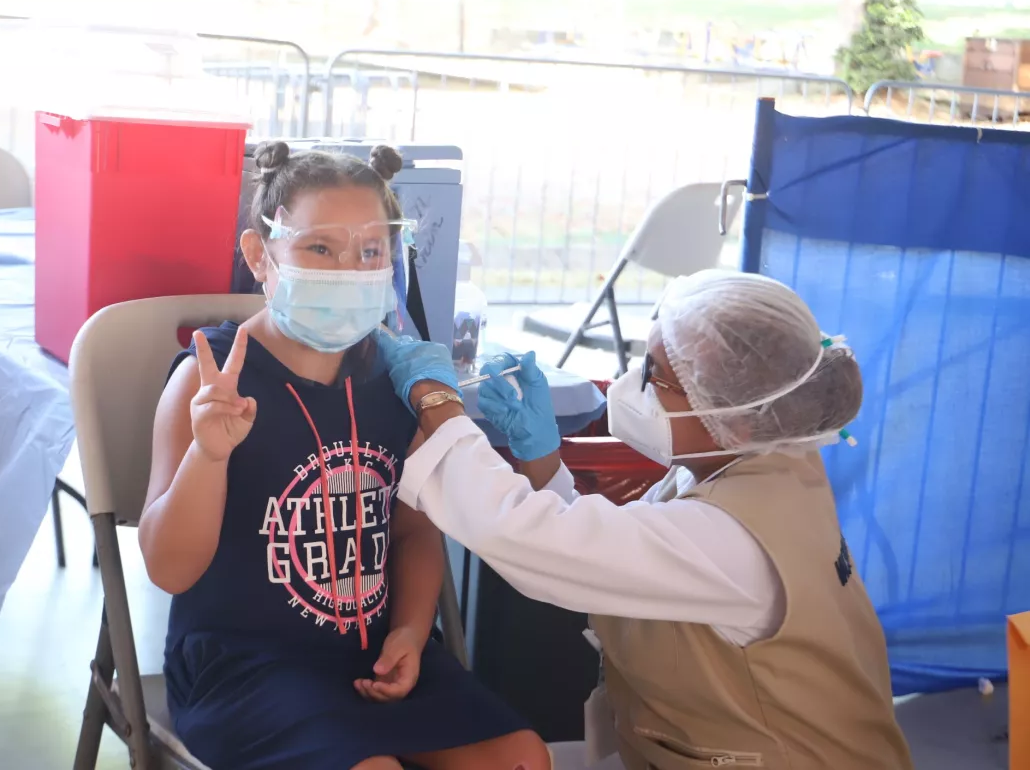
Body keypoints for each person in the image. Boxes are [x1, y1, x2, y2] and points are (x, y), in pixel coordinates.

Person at [377, 269, 914, 770]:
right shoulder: (763, 462)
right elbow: (614, 556)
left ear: (738, 416)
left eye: (656, 373)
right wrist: (542, 460)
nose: (632, 382)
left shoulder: (734, 540)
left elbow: (531, 541)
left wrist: (436, 401)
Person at [139, 142, 551, 770]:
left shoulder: (397, 380)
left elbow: (414, 531)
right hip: (246, 669)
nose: (347, 271)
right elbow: (169, 570)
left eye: (370, 252)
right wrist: (208, 456)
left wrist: (411, 630)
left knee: (523, 758)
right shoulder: (212, 380)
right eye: (320, 248)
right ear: (260, 254)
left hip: (375, 653)